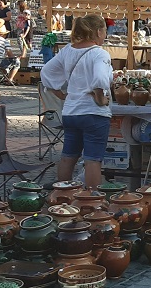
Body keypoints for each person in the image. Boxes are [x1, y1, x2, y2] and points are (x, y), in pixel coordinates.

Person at [41, 14, 113, 190]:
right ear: (98, 31)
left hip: (71, 112)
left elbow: (46, 72)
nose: (105, 35)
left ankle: (62, 195)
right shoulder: (99, 53)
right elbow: (100, 79)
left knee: (68, 156)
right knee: (93, 160)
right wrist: (101, 98)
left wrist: (61, 94)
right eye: (104, 31)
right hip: (93, 113)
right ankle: (92, 199)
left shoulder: (67, 50)